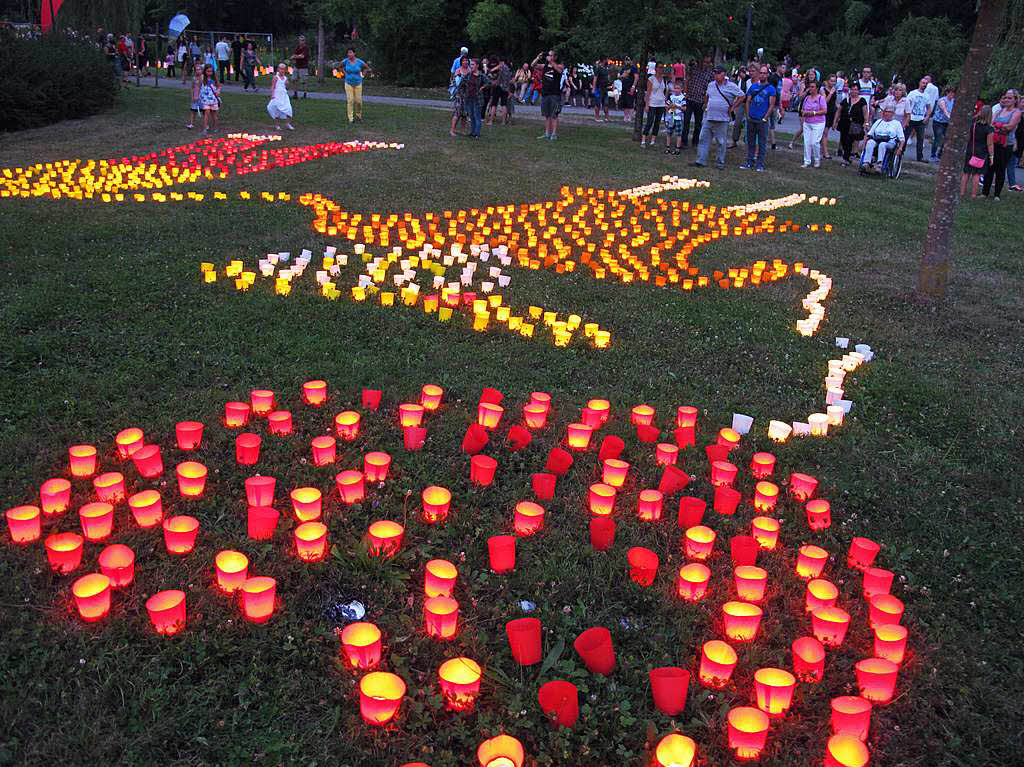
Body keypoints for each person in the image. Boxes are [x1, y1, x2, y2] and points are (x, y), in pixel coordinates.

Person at [692, 66, 743, 168]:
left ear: (724, 74)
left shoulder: (731, 86)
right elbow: (707, 95)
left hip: (722, 118)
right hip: (709, 117)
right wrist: (706, 106)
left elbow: (742, 96)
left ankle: (719, 162)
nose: (716, 75)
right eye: (715, 73)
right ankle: (700, 161)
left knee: (721, 141)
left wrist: (732, 108)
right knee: (703, 139)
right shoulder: (711, 85)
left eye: (718, 73)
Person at [984, 91, 1021, 199]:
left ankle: (997, 195)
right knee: (989, 167)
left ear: (1015, 100)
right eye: (1005, 98)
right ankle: (985, 192)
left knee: (1000, 169)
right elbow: (990, 123)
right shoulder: (1000, 111)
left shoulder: (1016, 112)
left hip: (1006, 145)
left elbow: (1010, 127)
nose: (1006, 100)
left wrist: (997, 126)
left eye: (1009, 98)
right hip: (993, 142)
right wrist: (1000, 127)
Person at [740, 65, 776, 171]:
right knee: (750, 142)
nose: (762, 75)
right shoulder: (753, 87)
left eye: (764, 73)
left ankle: (760, 164)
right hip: (752, 118)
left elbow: (771, 105)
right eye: (761, 73)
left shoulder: (771, 89)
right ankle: (749, 162)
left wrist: (765, 118)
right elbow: (748, 101)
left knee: (762, 143)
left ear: (767, 75)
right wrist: (748, 115)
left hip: (762, 120)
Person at [860, 105, 906, 173]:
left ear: (893, 113)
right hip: (877, 140)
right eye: (886, 111)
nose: (887, 113)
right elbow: (870, 134)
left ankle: (879, 165)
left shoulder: (897, 124)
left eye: (890, 112)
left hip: (890, 142)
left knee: (882, 144)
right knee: (870, 142)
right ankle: (866, 163)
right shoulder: (879, 122)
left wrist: (900, 148)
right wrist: (864, 144)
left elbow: (902, 138)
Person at [962, 106, 994, 198]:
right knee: (976, 174)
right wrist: (991, 156)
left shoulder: (973, 124)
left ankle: (962, 192)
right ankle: (973, 194)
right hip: (981, 152)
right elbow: (990, 144)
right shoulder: (989, 129)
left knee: (966, 172)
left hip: (970, 149)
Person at [683, 54, 713, 148]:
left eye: (708, 62)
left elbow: (709, 89)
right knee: (686, 121)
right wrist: (686, 93)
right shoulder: (693, 69)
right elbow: (687, 81)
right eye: (704, 62)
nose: (706, 64)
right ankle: (684, 141)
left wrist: (706, 102)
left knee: (698, 123)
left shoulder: (710, 74)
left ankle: (695, 142)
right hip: (690, 98)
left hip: (700, 100)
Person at [533, 49, 565, 141]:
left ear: (555, 57)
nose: (549, 57)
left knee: (554, 115)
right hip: (545, 93)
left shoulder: (559, 65)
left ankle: (554, 134)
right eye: (549, 55)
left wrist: (551, 61)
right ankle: (547, 133)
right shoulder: (545, 65)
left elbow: (559, 70)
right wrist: (537, 58)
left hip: (554, 93)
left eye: (551, 55)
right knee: (547, 115)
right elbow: (533, 65)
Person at [834, 84, 868, 166]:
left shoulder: (862, 101)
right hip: (844, 123)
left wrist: (866, 123)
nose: (854, 91)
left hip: (856, 124)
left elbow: (865, 113)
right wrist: (835, 122)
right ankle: (847, 156)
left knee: (850, 140)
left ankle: (845, 159)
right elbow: (839, 111)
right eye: (852, 89)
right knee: (843, 140)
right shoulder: (846, 100)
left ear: (858, 91)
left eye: (856, 89)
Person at [800, 80, 828, 167]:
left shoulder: (821, 98)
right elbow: (802, 108)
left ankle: (817, 159)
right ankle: (807, 161)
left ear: (817, 88)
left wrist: (813, 113)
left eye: (812, 87)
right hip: (807, 122)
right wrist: (803, 112)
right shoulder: (807, 98)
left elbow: (824, 111)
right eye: (810, 87)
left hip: (818, 123)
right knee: (806, 142)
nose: (810, 89)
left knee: (814, 142)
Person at [906, 78, 933, 161]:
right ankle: (900, 152)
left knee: (920, 139)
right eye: (923, 83)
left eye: (926, 83)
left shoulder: (927, 95)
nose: (924, 85)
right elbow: (907, 104)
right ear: (919, 83)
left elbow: (929, 107)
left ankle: (919, 157)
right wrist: (908, 116)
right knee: (906, 136)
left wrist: (927, 117)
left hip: (921, 119)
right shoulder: (913, 93)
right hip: (911, 118)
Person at [640, 64, 668, 147]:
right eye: (659, 67)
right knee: (650, 121)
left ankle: (653, 140)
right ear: (656, 68)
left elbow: (665, 91)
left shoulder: (664, 79)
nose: (661, 69)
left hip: (661, 103)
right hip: (652, 102)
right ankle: (643, 140)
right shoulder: (651, 79)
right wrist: (647, 104)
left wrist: (665, 102)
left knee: (657, 122)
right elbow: (648, 92)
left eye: (662, 67)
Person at [457, 59, 484, 138]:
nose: (471, 66)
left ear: (477, 65)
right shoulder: (469, 74)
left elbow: (489, 82)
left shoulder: (481, 75)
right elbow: (462, 83)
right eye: (471, 64)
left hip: (477, 99)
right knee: (471, 116)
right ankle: (472, 132)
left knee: (477, 116)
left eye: (472, 64)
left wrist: (482, 87)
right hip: (469, 98)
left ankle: (477, 134)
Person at [342, 47, 369, 123]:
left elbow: (367, 68)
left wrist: (363, 74)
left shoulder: (359, 62)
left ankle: (359, 115)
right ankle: (350, 118)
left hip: (358, 83)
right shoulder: (345, 61)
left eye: (350, 52)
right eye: (348, 53)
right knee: (350, 100)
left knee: (358, 101)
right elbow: (340, 66)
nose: (349, 54)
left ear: (354, 53)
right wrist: (344, 73)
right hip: (348, 83)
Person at [267, 63, 295, 130]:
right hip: (277, 96)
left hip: (284, 96)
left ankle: (288, 123)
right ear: (278, 69)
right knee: (276, 110)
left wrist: (287, 84)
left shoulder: (285, 78)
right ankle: (277, 125)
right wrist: (273, 95)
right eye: (281, 69)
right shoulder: (276, 77)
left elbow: (287, 87)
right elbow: (273, 87)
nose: (282, 70)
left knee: (288, 109)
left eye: (284, 69)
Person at [664, 79, 687, 155]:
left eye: (678, 88)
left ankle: (677, 148)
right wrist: (670, 106)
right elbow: (666, 106)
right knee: (669, 133)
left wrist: (677, 106)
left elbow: (684, 108)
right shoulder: (671, 97)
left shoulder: (682, 97)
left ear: (681, 89)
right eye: (675, 88)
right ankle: (668, 147)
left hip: (679, 118)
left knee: (678, 134)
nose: (676, 90)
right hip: (671, 117)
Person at [486, 57, 512, 125]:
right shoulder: (508, 69)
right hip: (506, 88)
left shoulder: (501, 66)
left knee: (494, 104)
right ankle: (503, 121)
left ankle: (491, 121)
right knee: (504, 104)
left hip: (498, 87)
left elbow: (491, 71)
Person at [931, 86, 954, 161]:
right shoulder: (942, 100)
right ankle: (933, 155)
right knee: (938, 138)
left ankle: (940, 155)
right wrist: (949, 117)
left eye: (953, 93)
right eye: (951, 93)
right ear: (947, 93)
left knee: (946, 139)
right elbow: (944, 110)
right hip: (938, 122)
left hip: (946, 123)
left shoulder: (953, 101)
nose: (952, 95)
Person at [729, 66, 749, 148]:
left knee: (749, 123)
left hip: (748, 103)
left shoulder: (749, 80)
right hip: (741, 103)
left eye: (740, 74)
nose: (739, 76)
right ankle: (734, 140)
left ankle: (748, 141)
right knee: (737, 122)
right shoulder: (740, 81)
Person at [199, 63, 221, 134]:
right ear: (205, 71)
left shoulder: (214, 77)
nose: (209, 73)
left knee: (214, 114)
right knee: (206, 113)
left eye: (211, 71)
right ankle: (205, 128)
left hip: (213, 99)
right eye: (208, 71)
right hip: (205, 99)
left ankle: (216, 128)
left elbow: (219, 86)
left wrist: (218, 91)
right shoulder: (202, 77)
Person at [450, 57, 469, 136]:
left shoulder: (470, 71)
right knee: (457, 113)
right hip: (459, 95)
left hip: (466, 95)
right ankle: (452, 130)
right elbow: (454, 82)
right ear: (461, 62)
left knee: (464, 114)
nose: (465, 62)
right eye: (464, 61)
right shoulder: (458, 70)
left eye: (466, 60)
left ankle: (463, 130)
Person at [821, 74, 838, 159]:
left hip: (832, 113)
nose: (833, 83)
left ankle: (823, 150)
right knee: (825, 133)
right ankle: (825, 153)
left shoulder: (835, 90)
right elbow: (825, 101)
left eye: (834, 81)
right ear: (828, 81)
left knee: (825, 133)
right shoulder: (823, 90)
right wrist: (831, 93)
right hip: (825, 113)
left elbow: (835, 102)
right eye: (831, 81)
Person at [619, 57, 638, 124]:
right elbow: (620, 76)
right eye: (626, 60)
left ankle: (630, 116)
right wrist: (622, 76)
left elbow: (636, 77)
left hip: (630, 87)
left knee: (630, 102)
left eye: (628, 60)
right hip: (624, 87)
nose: (627, 62)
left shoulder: (633, 68)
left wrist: (633, 86)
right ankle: (625, 116)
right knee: (624, 102)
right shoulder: (623, 68)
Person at [186, 61, 202, 129]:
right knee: (193, 110)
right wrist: (192, 96)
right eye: (196, 70)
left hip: (202, 97)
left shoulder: (203, 78)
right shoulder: (194, 78)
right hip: (195, 96)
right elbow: (192, 88)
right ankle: (191, 123)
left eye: (199, 69)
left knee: (204, 111)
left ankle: (205, 124)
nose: (198, 71)